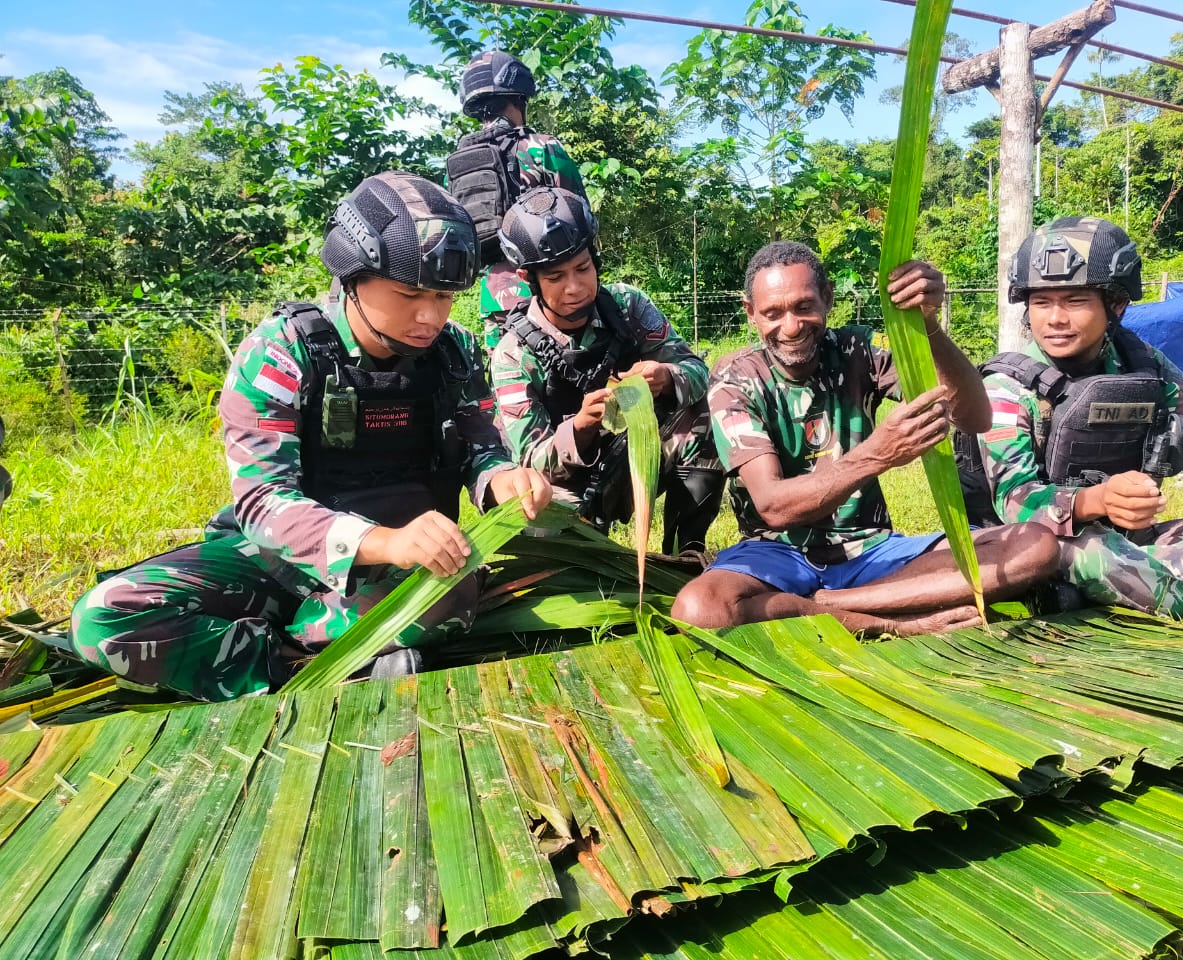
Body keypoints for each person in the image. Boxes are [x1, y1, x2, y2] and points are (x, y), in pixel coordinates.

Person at [69, 172, 551, 701]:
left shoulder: (455, 353)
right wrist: (381, 540)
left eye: (443, 296)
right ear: (353, 277)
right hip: (280, 560)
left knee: (448, 596)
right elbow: (261, 501)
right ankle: (303, 661)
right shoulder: (282, 352)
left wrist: (505, 478)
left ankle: (315, 648)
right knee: (102, 620)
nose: (429, 316)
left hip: (406, 568)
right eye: (410, 293)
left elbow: (482, 449)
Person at [670, 240, 1059, 635]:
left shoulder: (859, 350)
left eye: (804, 306)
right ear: (751, 313)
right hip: (777, 554)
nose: (790, 326)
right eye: (773, 313)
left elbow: (974, 417)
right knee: (699, 608)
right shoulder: (737, 379)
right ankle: (890, 619)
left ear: (827, 298)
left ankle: (824, 606)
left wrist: (929, 327)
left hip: (871, 551)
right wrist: (877, 454)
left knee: (1036, 546)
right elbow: (773, 507)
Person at [956, 216, 1183, 619]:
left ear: (1117, 304)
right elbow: (1014, 501)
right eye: (1041, 302)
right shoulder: (1008, 386)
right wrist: (1096, 500)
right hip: (1039, 547)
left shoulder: (1146, 368)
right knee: (1089, 558)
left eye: (1075, 301)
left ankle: (1120, 591)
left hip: (1134, 545)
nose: (1055, 318)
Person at [489, 186, 724, 554]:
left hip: (635, 457)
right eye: (555, 278)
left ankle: (686, 553)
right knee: (541, 528)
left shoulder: (626, 306)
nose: (575, 287)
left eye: (583, 268)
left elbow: (698, 372)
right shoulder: (512, 354)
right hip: (564, 488)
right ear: (528, 278)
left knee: (707, 415)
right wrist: (580, 427)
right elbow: (530, 462)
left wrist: (667, 377)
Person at [446, 50, 586, 353]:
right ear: (520, 98)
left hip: (495, 294)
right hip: (550, 289)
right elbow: (579, 215)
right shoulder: (542, 148)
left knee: (509, 378)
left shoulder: (459, 163)